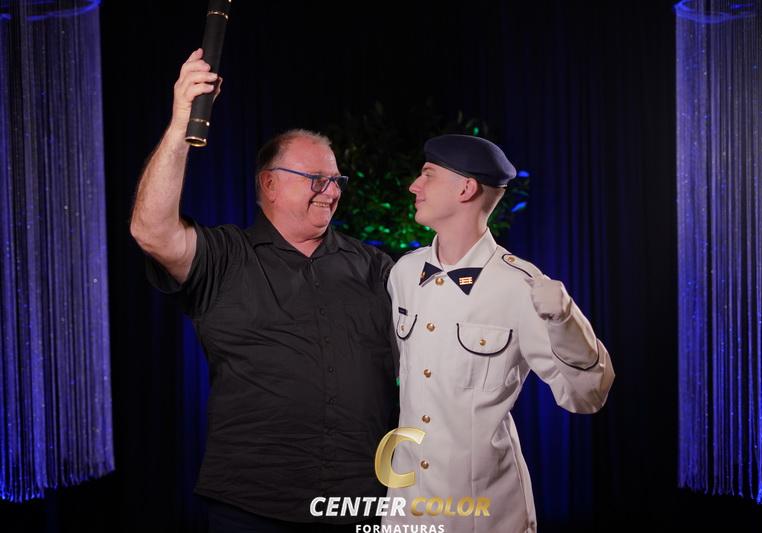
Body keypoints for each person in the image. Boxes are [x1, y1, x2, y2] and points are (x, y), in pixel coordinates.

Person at [130, 49, 397, 532]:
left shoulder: (376, 267)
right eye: (316, 179)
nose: (331, 191)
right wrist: (181, 123)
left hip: (359, 505)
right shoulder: (225, 257)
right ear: (270, 184)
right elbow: (151, 231)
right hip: (251, 508)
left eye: (336, 180)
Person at [382, 135, 615, 533]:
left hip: (484, 515)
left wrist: (565, 321)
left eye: (427, 175)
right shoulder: (404, 273)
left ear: (465, 188)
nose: (414, 186)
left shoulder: (520, 286)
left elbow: (585, 396)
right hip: (407, 509)